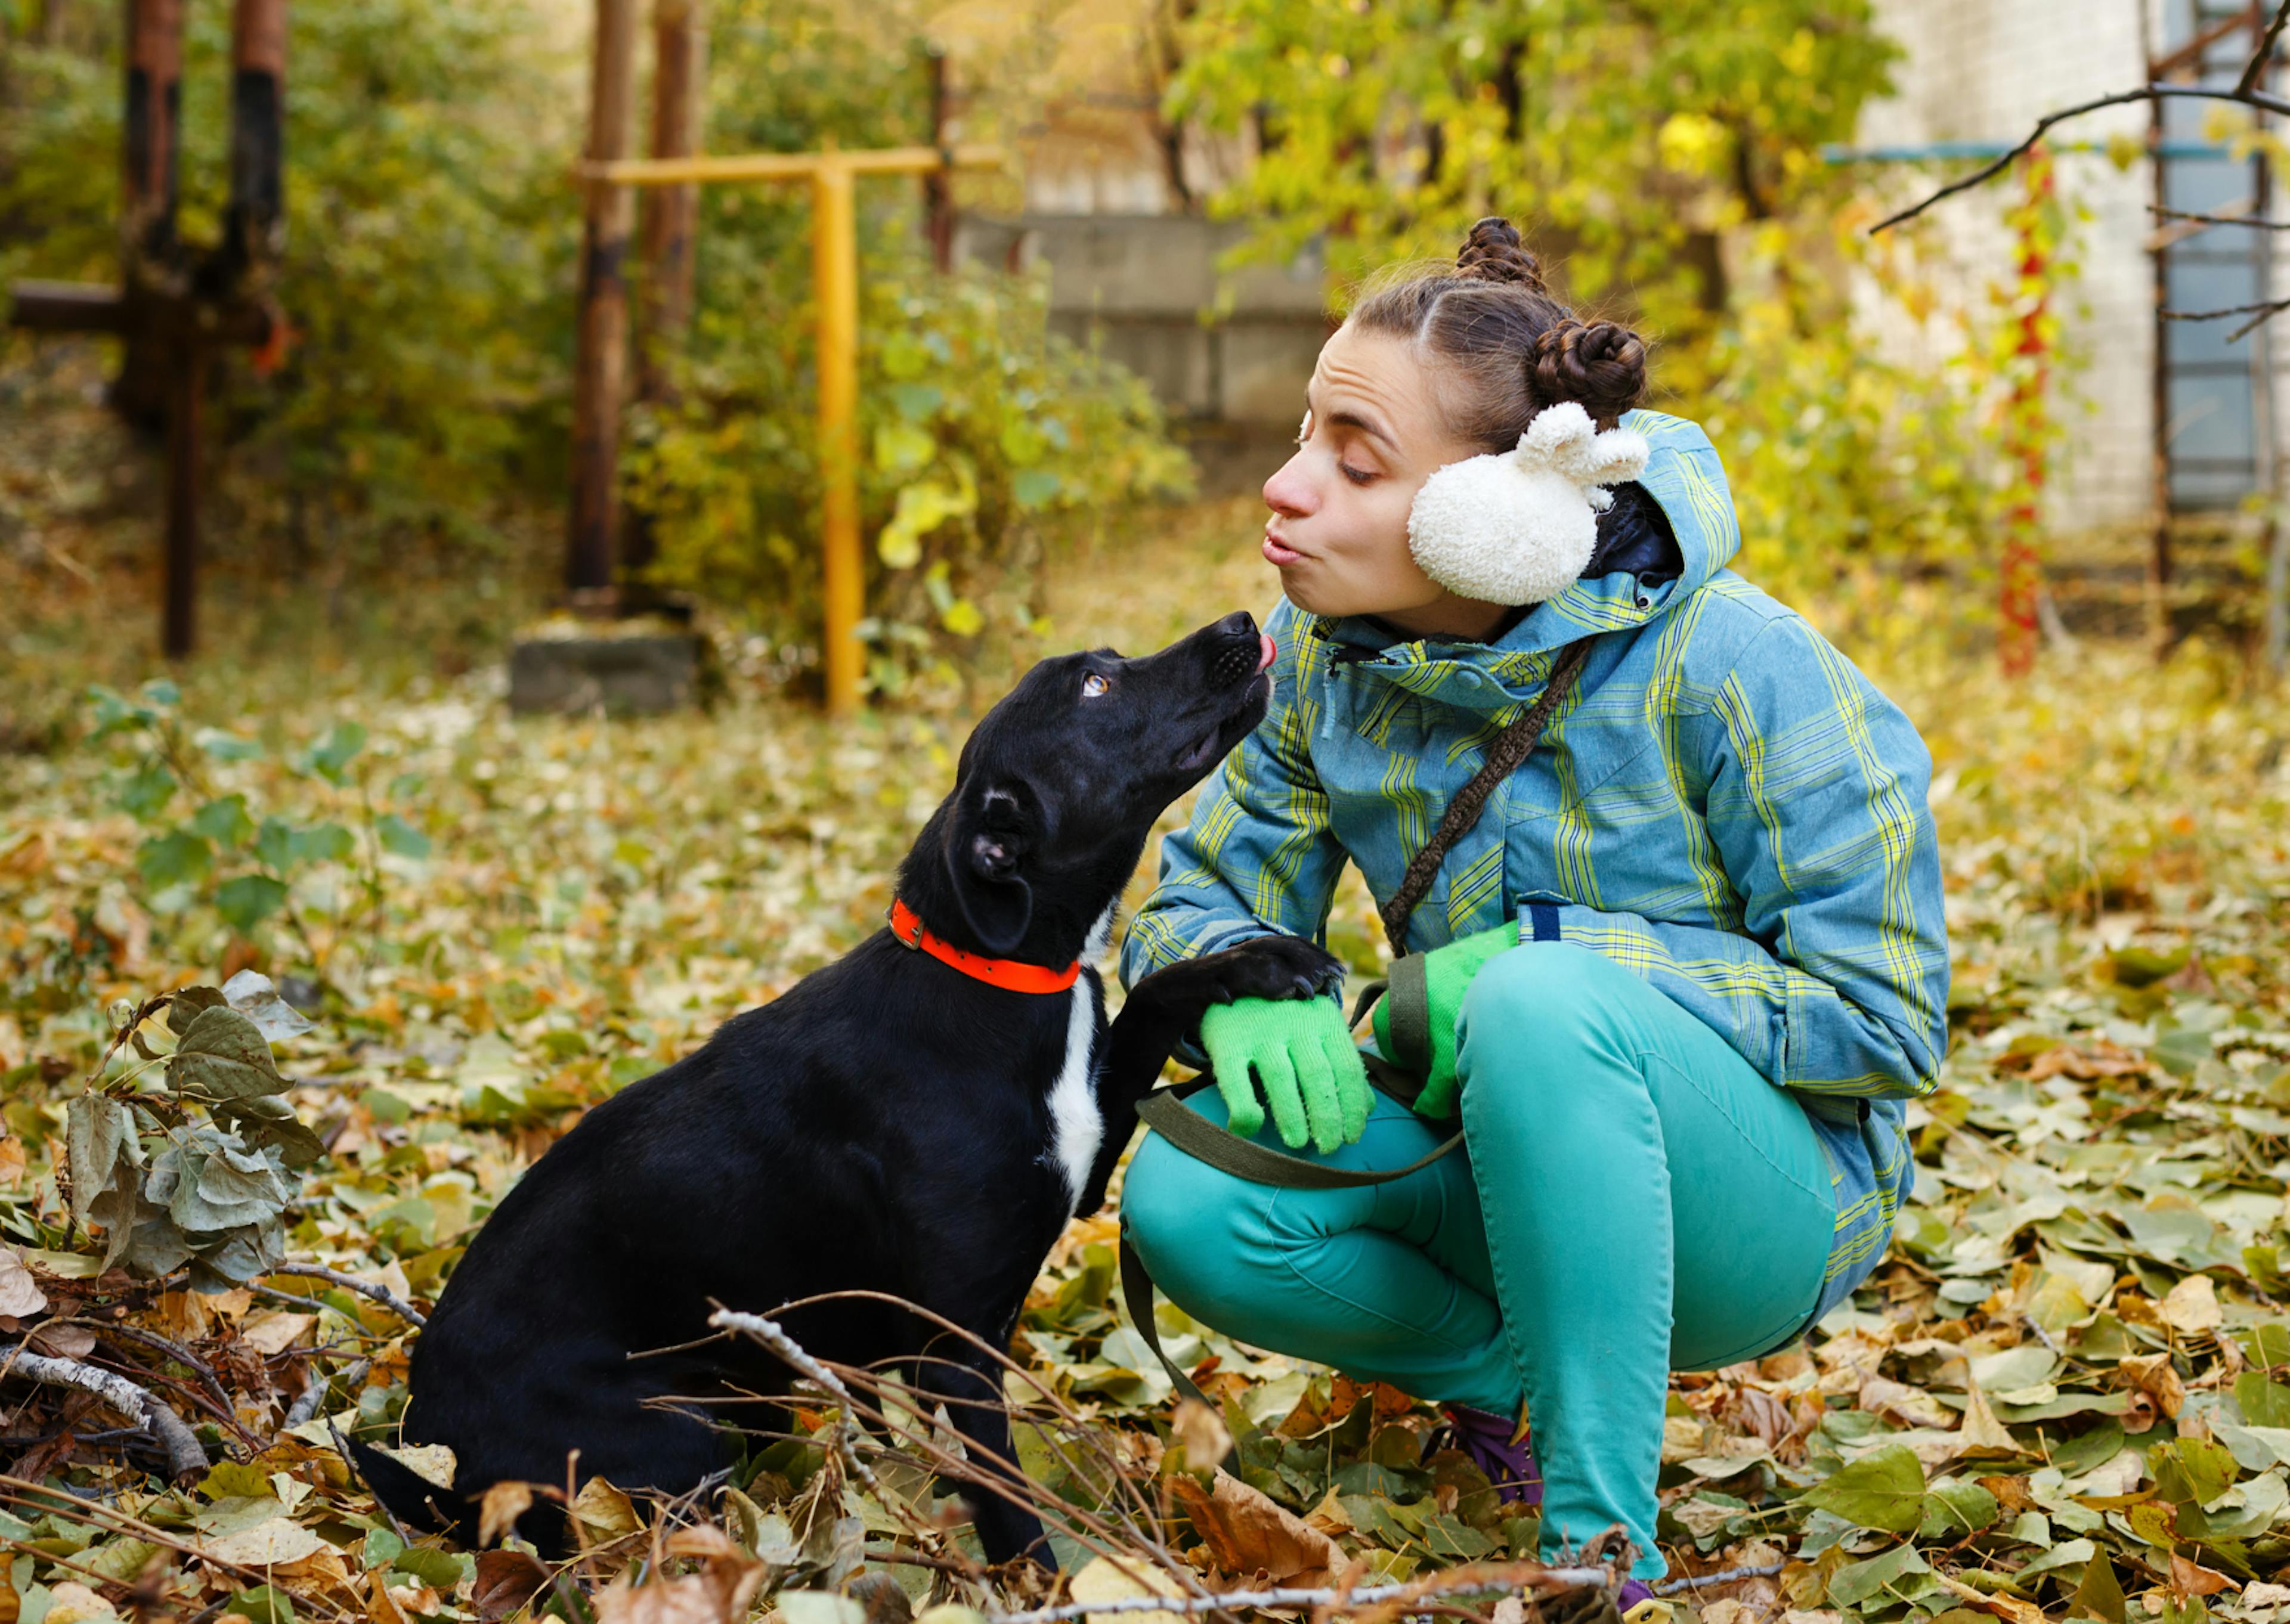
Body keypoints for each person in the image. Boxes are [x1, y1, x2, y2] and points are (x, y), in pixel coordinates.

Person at [1116, 216, 1949, 1602]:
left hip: (1761, 1207)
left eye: (1354, 456)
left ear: (1498, 512)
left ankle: (1597, 1555)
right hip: (1492, 1153)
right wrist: (1240, 972)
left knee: (1541, 1000)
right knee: (1191, 1197)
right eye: (1304, 433)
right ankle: (1532, 1377)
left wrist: (1550, 956)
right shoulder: (1320, 666)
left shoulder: (1743, 670)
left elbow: (1884, 1022)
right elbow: (1201, 886)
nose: (1285, 484)